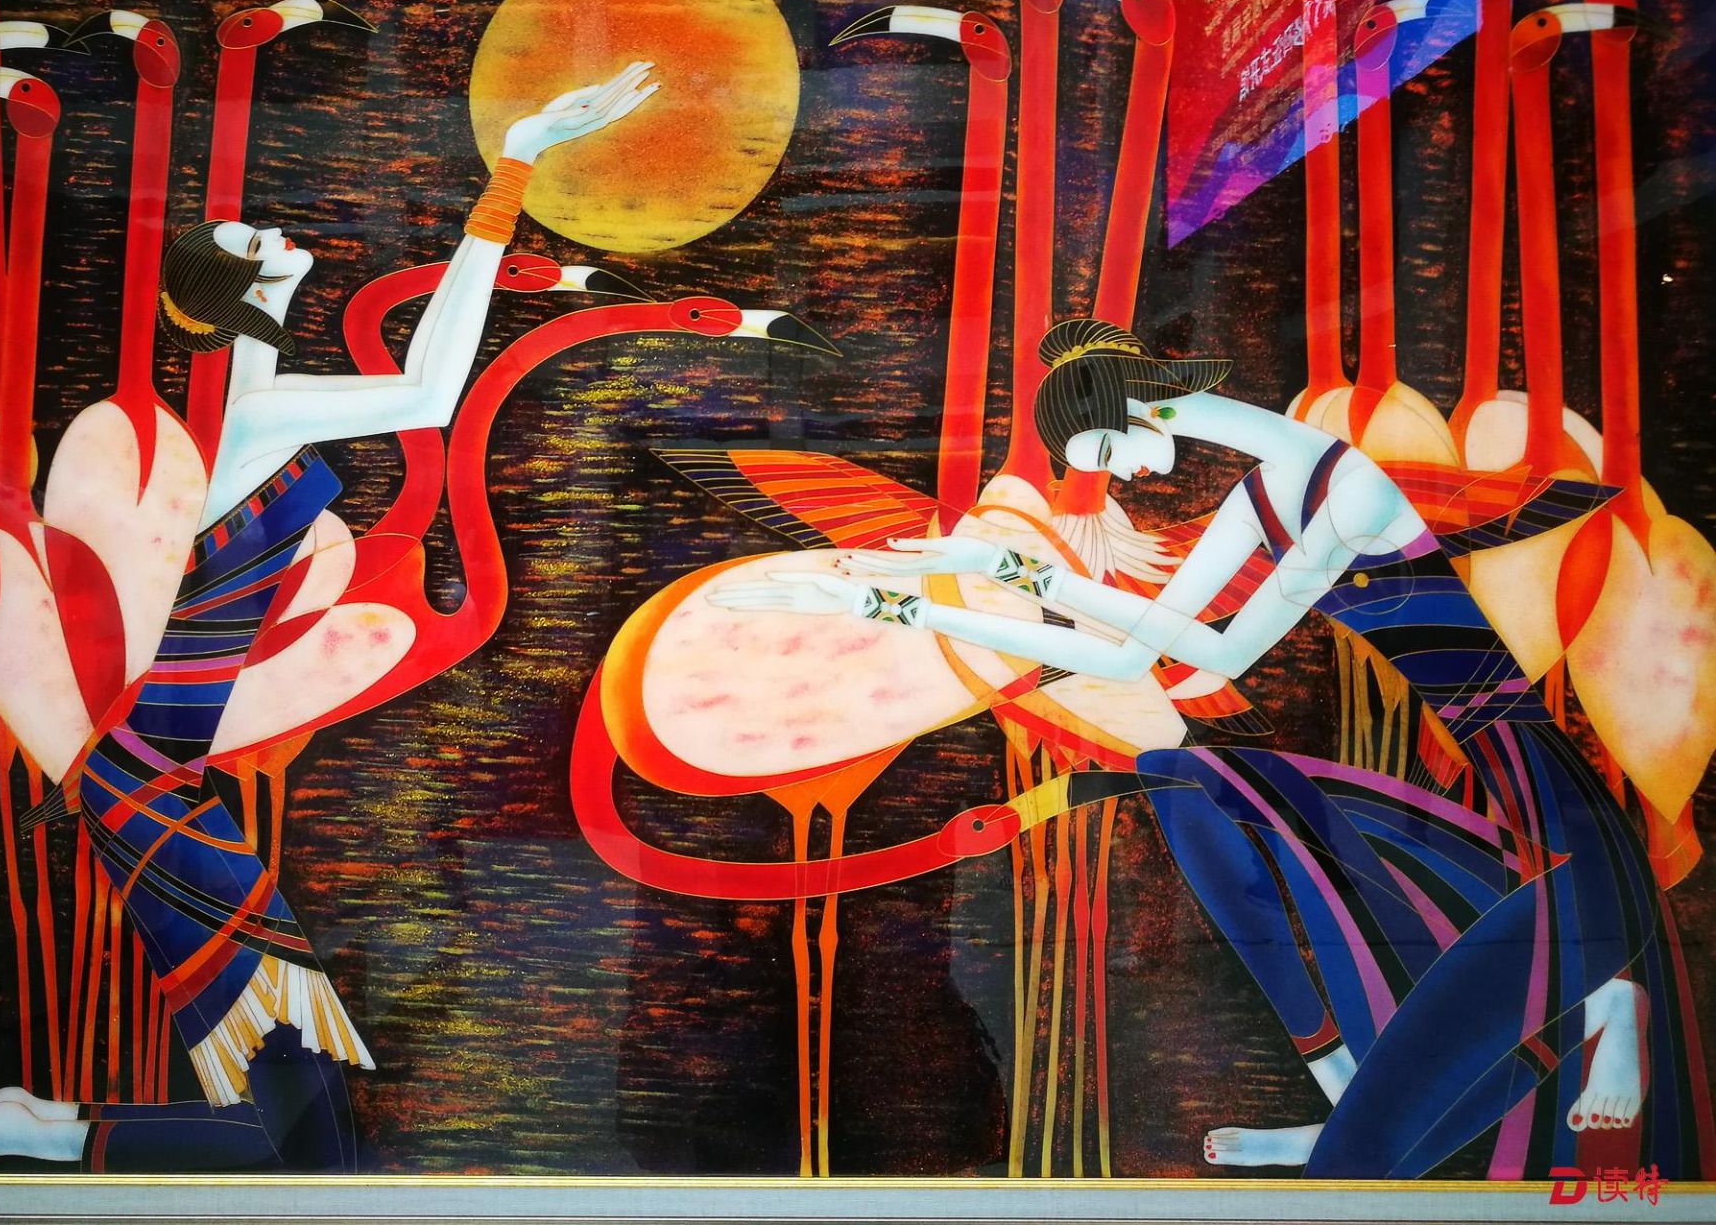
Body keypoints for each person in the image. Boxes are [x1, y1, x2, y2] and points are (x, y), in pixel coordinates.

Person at [0, 62, 659, 1171]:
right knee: (314, 1149)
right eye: (249, 238)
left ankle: (47, 1127)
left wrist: (510, 171)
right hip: (149, 787)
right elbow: (430, 393)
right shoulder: (252, 413)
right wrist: (512, 166)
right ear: (239, 288)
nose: (270, 229)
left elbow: (331, 363)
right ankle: (37, 1130)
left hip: (152, 779)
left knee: (309, 1143)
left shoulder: (253, 386)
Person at [709, 317, 1707, 1180]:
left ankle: (1593, 1015)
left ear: (1142, 407)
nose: (1112, 478)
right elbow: (1135, 654)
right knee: (1179, 779)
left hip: (1568, 839)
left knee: (1371, 1157)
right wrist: (906, 602)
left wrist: (1020, 571)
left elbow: (1218, 650)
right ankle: (1401, 1077)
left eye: (1103, 450)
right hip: (1512, 826)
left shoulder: (1348, 489)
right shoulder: (1265, 494)